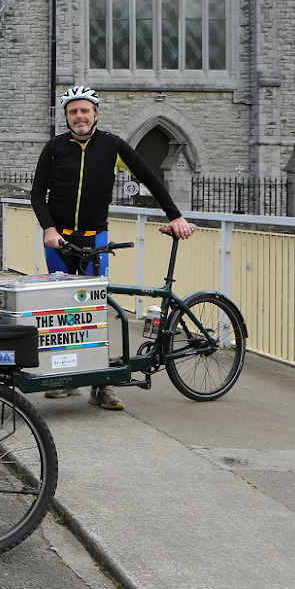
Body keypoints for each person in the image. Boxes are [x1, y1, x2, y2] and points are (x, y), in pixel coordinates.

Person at [32, 85, 196, 410]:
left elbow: (149, 177)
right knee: (62, 311)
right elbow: (37, 193)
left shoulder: (112, 145)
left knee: (95, 310)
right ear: (66, 116)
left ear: (96, 114)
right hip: (59, 241)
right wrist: (49, 229)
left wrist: (175, 216)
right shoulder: (54, 148)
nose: (79, 116)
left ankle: (101, 385)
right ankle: (68, 378)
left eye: (85, 110)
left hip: (96, 239)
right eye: (73, 111)